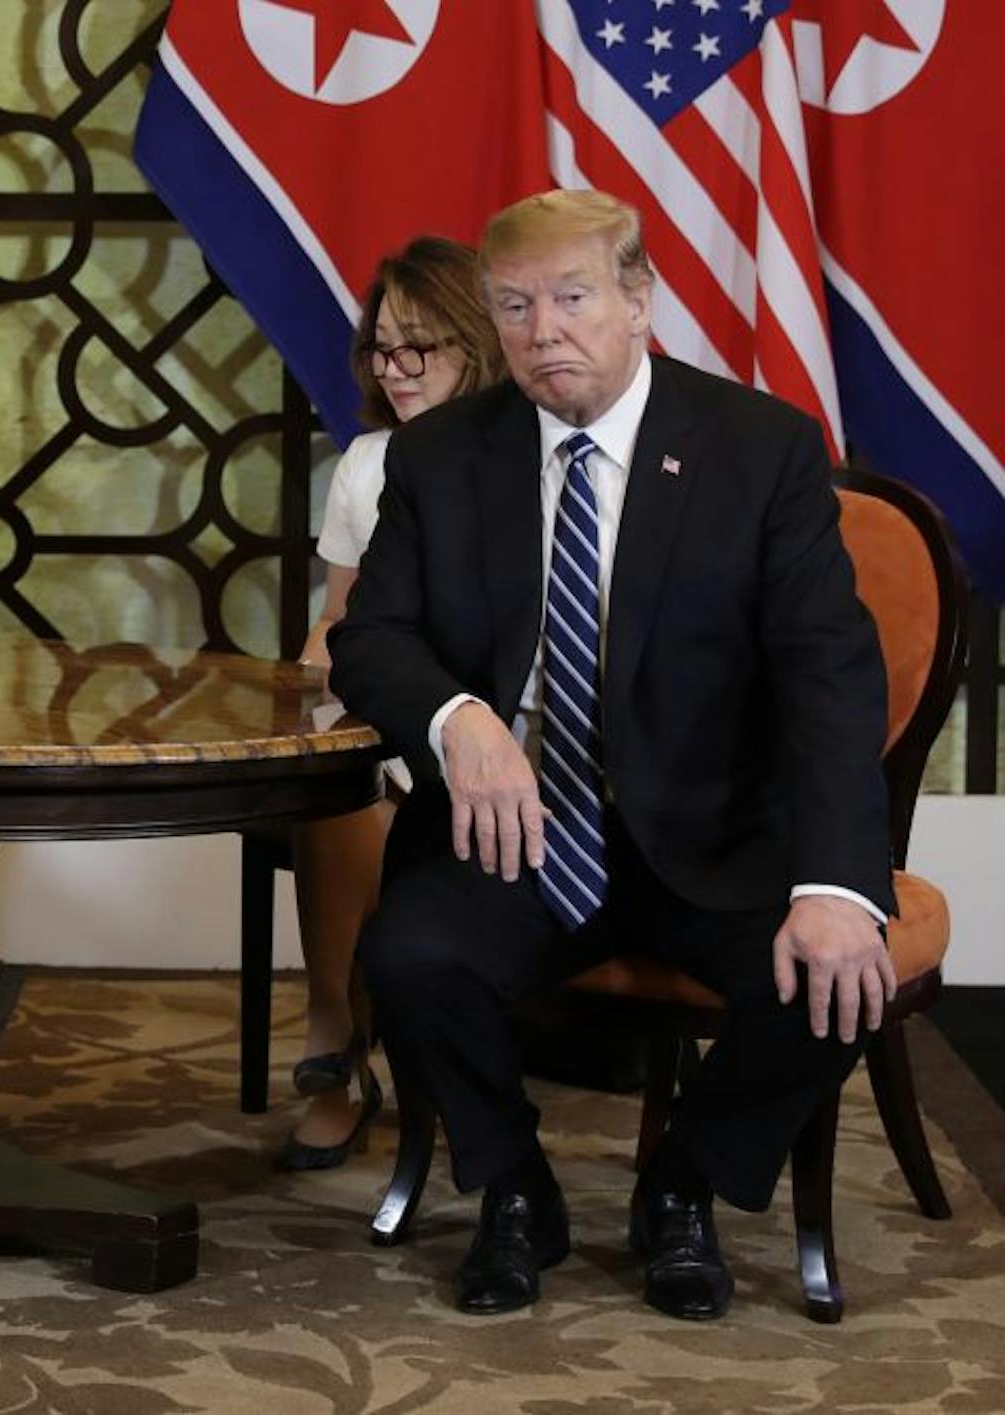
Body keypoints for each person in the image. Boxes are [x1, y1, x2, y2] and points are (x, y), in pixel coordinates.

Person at [329, 190, 894, 1321]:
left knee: (835, 982)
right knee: (411, 954)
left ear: (639, 301)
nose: (545, 332)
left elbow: (827, 671)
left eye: (573, 298)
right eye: (515, 307)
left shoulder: (757, 448)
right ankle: (517, 1190)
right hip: (518, 832)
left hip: (712, 834)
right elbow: (370, 637)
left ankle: (683, 1189)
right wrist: (458, 718)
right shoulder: (440, 456)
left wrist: (838, 883)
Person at [278, 236, 505, 1171]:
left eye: (424, 346)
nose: (397, 369)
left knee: (383, 789)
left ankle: (383, 1040)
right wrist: (316, 688)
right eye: (382, 347)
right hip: (389, 716)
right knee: (337, 786)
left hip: (494, 728)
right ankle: (335, 1043)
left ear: (477, 342)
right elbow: (334, 627)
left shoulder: (528, 454)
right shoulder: (367, 463)